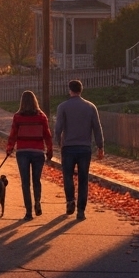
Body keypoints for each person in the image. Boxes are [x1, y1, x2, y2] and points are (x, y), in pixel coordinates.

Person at [55, 79, 105, 220]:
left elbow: (58, 129)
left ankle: (70, 200)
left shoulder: (62, 107)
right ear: (81, 90)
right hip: (84, 148)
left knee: (67, 176)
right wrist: (100, 146)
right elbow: (97, 128)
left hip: (68, 147)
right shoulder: (90, 107)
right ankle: (81, 210)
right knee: (83, 179)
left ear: (69, 90)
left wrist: (59, 143)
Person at [5, 90, 53, 220]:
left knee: (25, 183)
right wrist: (50, 149)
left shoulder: (18, 117)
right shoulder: (41, 116)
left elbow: (13, 134)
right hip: (38, 152)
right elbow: (47, 134)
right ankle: (37, 201)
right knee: (36, 180)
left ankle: (28, 212)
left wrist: (9, 148)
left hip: (22, 152)